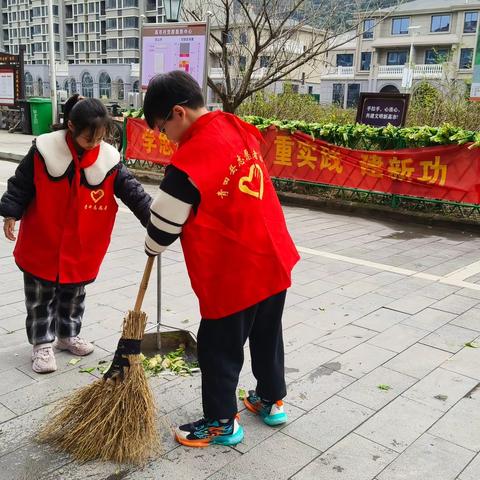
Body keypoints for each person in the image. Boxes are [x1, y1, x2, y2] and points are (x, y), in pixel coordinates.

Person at [143, 71, 299, 447]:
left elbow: (163, 226)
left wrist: (151, 247)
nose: (165, 137)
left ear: (178, 113)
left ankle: (220, 422)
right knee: (266, 334)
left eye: (162, 128)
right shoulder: (236, 127)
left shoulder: (191, 157)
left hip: (235, 270)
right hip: (272, 256)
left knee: (217, 345)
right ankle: (270, 400)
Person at [0, 94, 152, 374]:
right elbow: (21, 183)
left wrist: (154, 221)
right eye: (88, 139)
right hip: (42, 237)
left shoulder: (108, 159)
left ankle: (67, 335)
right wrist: (11, 213)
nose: (94, 145)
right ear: (71, 126)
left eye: (99, 138)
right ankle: (42, 344)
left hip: (82, 242)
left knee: (74, 293)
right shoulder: (44, 151)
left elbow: (133, 191)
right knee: (40, 295)